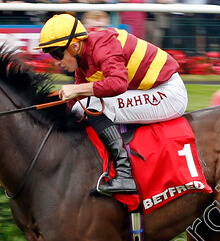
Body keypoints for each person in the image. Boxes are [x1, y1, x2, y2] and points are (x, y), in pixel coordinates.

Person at [35, 13, 188, 195]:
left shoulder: (103, 46)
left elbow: (118, 83)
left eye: (57, 53)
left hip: (169, 93)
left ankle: (125, 174)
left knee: (93, 105)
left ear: (75, 46)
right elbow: (75, 104)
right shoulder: (83, 62)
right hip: (149, 90)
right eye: (52, 55)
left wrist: (76, 90)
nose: (57, 61)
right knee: (80, 107)